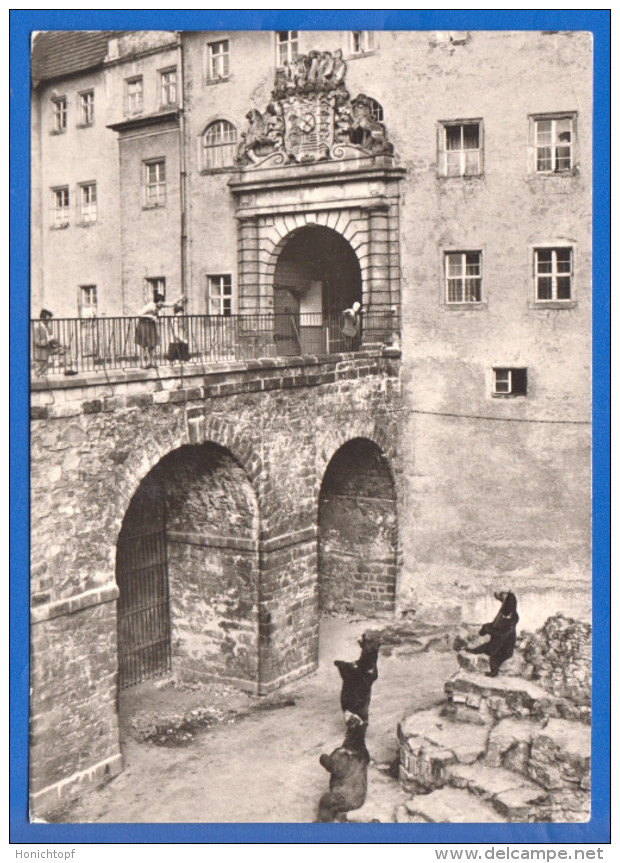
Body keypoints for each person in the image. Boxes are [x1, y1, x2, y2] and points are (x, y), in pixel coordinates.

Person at [135, 292, 184, 369]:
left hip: (151, 325)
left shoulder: (160, 305)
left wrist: (179, 299)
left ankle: (151, 362)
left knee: (152, 345)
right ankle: (142, 363)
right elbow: (138, 314)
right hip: (144, 325)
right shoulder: (150, 306)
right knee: (144, 345)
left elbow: (171, 304)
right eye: (161, 303)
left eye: (162, 303)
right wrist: (149, 316)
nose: (162, 305)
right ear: (157, 301)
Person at [32, 309, 58, 378]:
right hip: (41, 352)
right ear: (42, 318)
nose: (49, 321)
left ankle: (68, 369)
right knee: (40, 371)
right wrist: (48, 341)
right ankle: (40, 377)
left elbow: (51, 336)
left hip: (49, 348)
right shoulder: (37, 327)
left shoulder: (47, 327)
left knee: (65, 350)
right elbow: (37, 342)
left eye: (49, 319)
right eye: (47, 319)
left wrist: (55, 341)